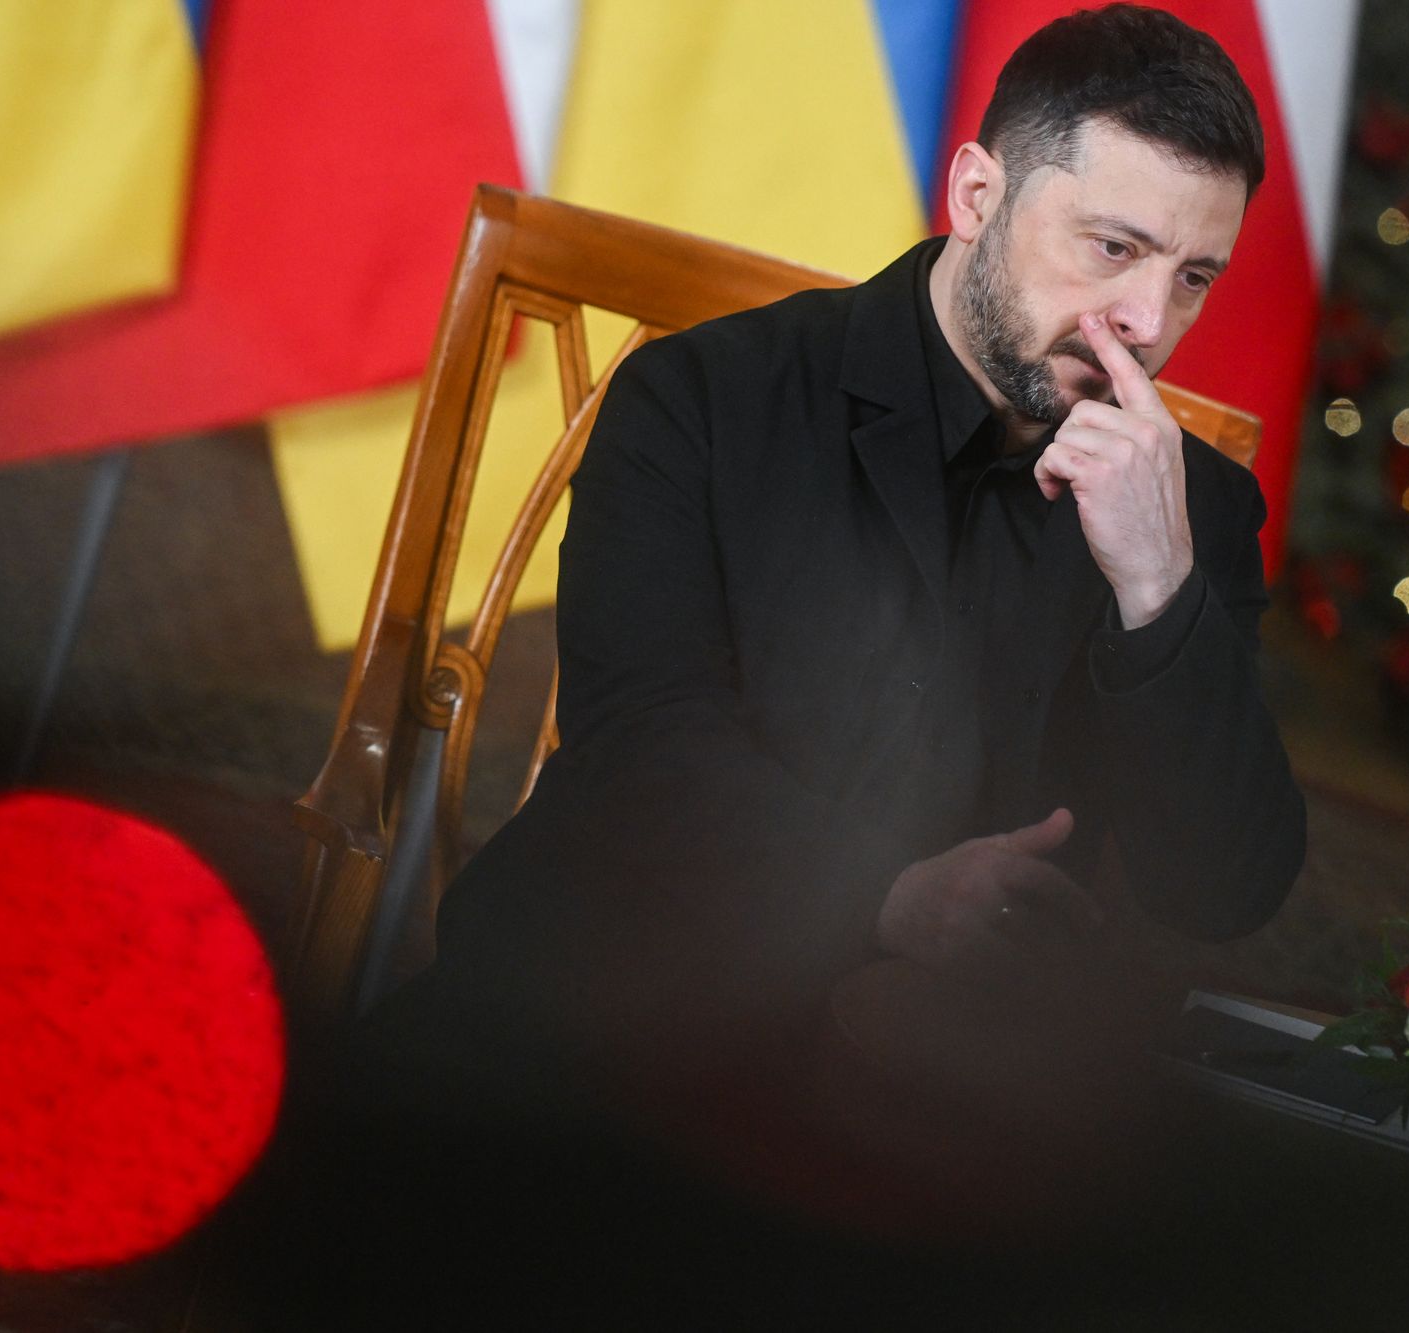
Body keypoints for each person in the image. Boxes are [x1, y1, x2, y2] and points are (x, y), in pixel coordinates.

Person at [279, 5, 1309, 1317]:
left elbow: (1223, 888)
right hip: (597, 1031)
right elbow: (641, 762)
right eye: (1113, 248)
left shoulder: (1191, 510)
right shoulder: (703, 396)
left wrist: (1159, 590)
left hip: (924, 1120)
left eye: (1195, 276)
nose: (1148, 321)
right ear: (977, 195)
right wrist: (891, 893)